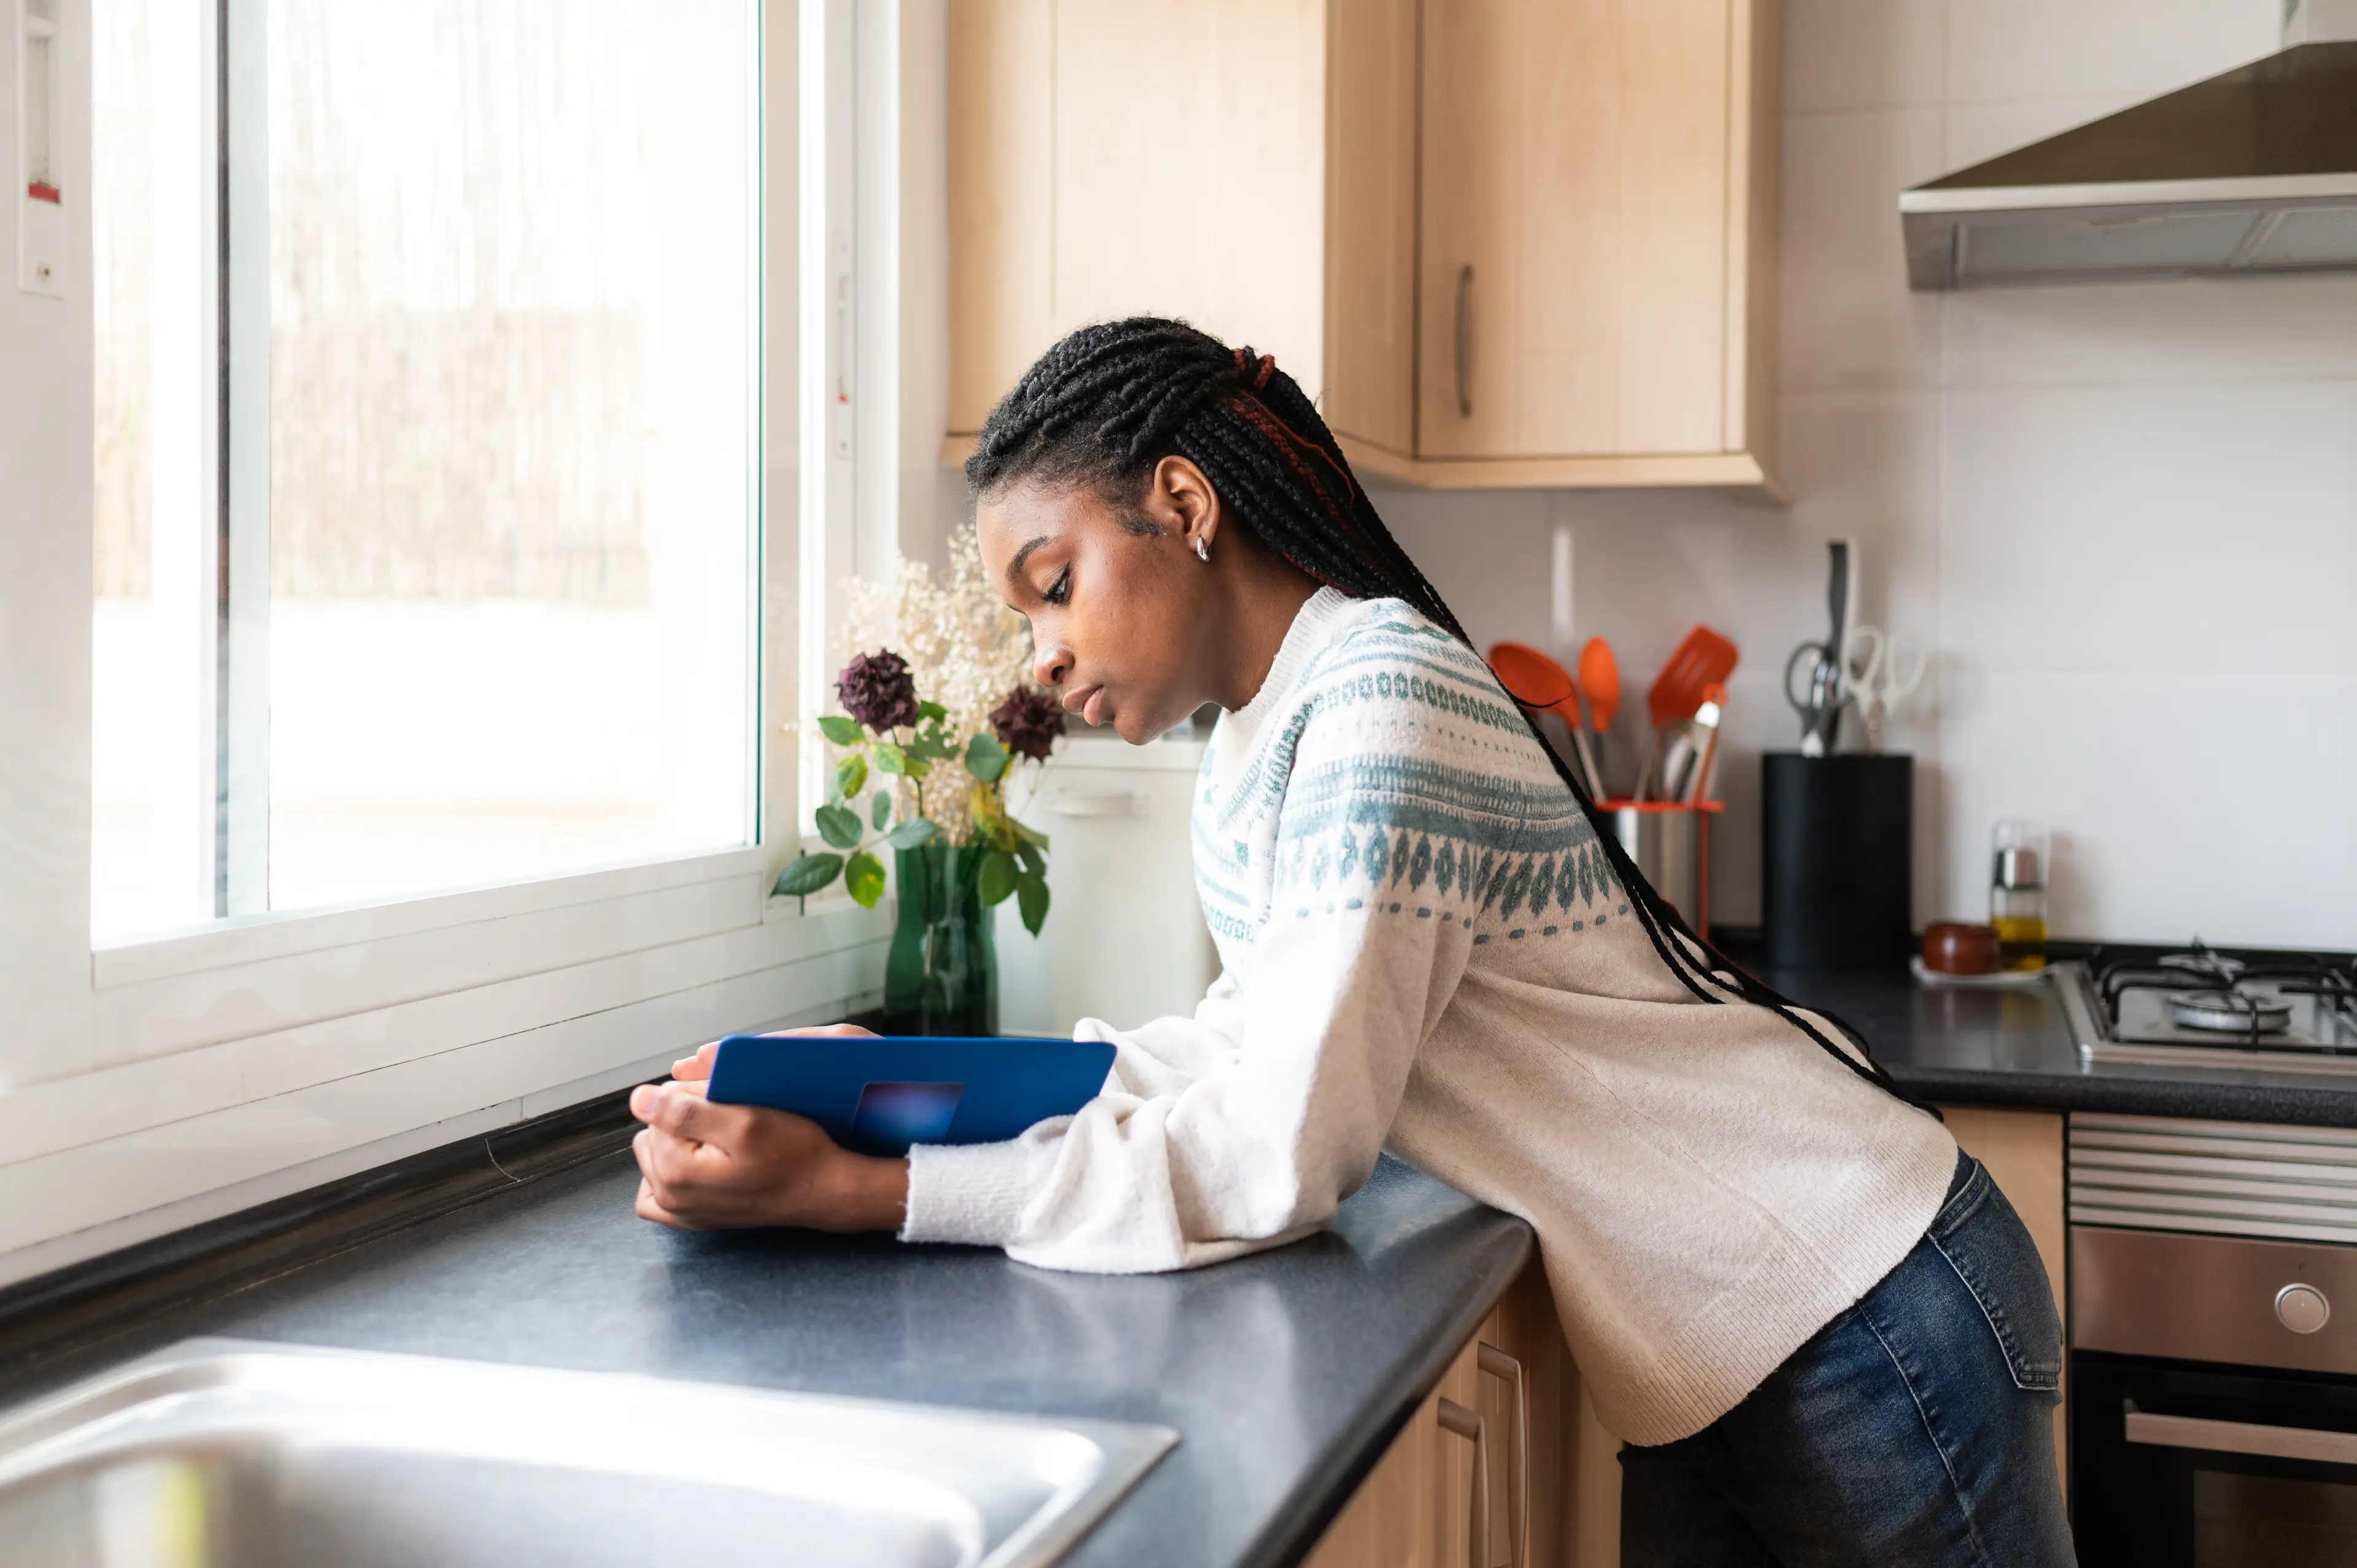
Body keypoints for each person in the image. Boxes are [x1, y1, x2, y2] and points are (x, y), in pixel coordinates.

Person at [628, 318, 2075, 1567]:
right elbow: (1234, 1042)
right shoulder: (1260, 743)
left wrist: (867, 1189)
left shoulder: (1380, 697)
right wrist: (890, 1083)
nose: (1040, 656)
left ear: (1184, 502)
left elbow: (1279, 1152)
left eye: (1053, 584)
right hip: (1721, 1341)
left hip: (1855, 1304)